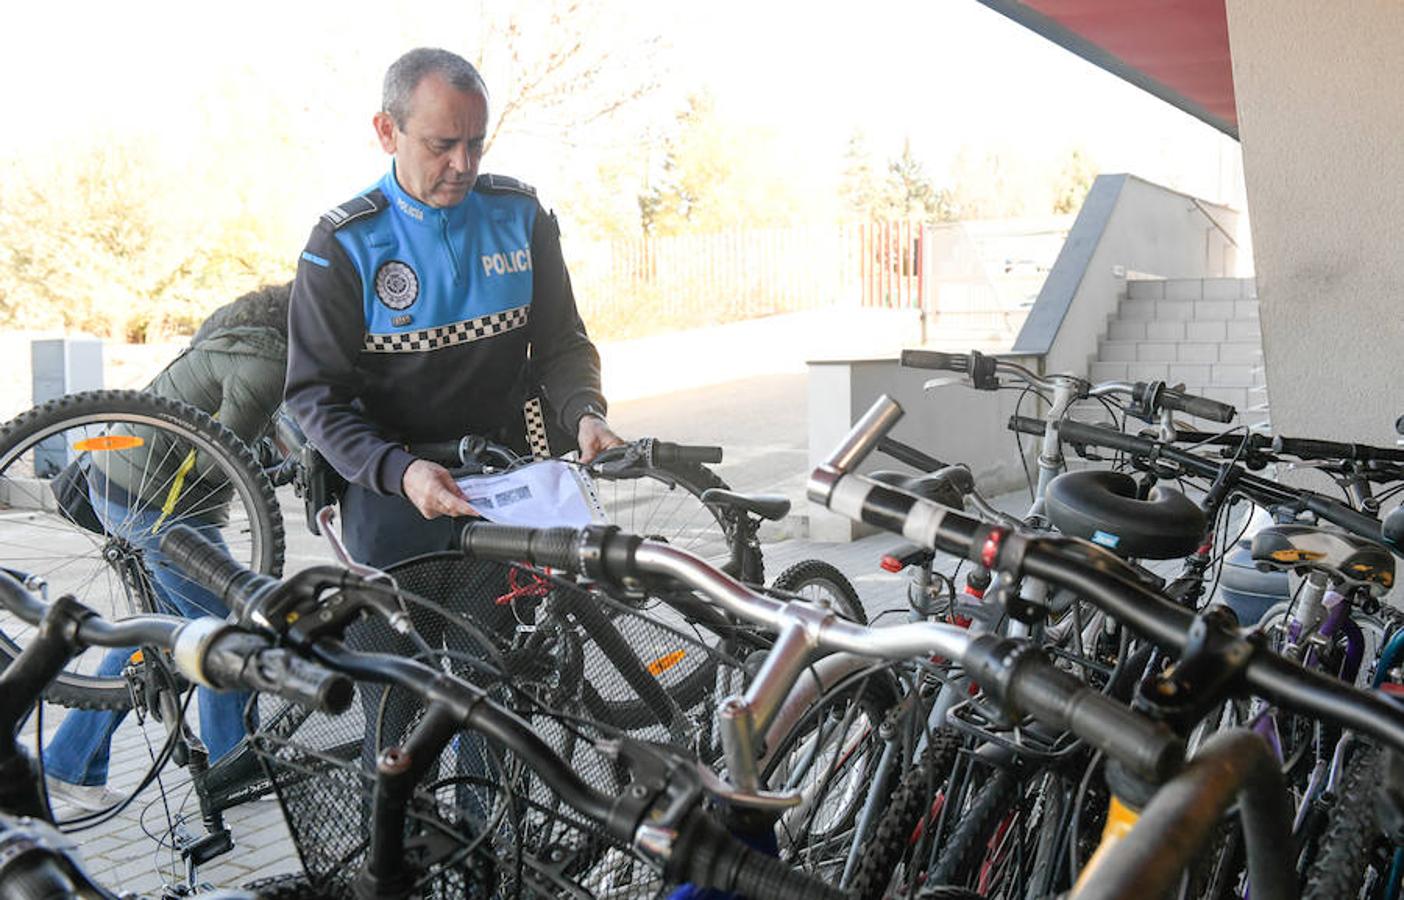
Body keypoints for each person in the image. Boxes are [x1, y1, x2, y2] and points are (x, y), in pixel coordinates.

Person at [284, 47, 623, 571]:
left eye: (475, 143)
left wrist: (585, 412)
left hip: (510, 488)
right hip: (393, 498)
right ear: (385, 131)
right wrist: (400, 471)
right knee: (394, 654)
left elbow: (562, 344)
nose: (462, 165)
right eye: (441, 145)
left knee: (514, 655)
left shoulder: (521, 216)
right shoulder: (342, 245)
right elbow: (316, 398)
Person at [43, 283, 292, 811]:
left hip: (119, 484)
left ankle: (68, 767)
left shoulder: (234, 341)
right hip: (156, 502)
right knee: (225, 627)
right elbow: (214, 463)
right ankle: (232, 770)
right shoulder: (269, 365)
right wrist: (276, 462)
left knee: (158, 629)